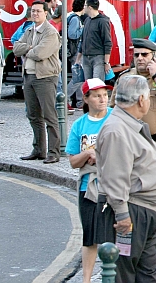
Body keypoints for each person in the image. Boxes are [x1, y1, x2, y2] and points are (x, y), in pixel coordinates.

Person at [95, 75, 156, 283]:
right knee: (125, 273)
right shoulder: (117, 129)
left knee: (147, 274)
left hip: (143, 210)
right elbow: (115, 177)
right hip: (131, 211)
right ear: (141, 100)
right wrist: (122, 215)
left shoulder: (128, 125)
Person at [66, 78, 112, 283]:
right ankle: (86, 279)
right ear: (86, 99)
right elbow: (73, 161)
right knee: (90, 236)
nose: (103, 99)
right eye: (97, 96)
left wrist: (99, 154)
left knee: (116, 234)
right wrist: (88, 154)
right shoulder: (79, 125)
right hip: (89, 186)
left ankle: (115, 275)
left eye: (105, 95)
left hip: (113, 184)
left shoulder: (115, 118)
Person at [110, 38, 156, 152]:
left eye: (144, 54)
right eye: (136, 55)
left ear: (153, 57)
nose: (140, 58)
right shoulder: (125, 77)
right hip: (131, 144)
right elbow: (113, 107)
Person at [14, 0, 61, 163]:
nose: (35, 14)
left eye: (38, 11)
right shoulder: (29, 30)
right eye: (33, 11)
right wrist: (30, 48)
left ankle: (54, 152)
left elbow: (41, 53)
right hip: (28, 76)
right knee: (33, 115)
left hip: (45, 77)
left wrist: (28, 49)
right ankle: (39, 150)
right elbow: (16, 48)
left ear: (46, 13)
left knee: (49, 116)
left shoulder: (50, 32)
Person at [77, 0, 112, 80]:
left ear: (89, 7)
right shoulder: (87, 20)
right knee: (88, 83)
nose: (83, 8)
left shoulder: (103, 21)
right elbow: (83, 40)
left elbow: (107, 42)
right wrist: (78, 58)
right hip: (86, 57)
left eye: (85, 5)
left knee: (97, 83)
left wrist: (106, 62)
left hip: (98, 57)